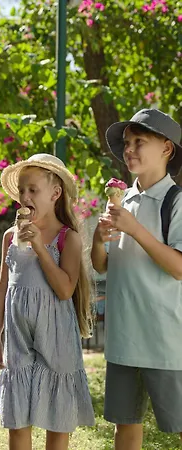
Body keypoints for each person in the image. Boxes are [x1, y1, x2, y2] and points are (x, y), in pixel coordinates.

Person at [0, 153, 95, 450]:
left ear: (55, 193)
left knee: (57, 416)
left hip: (56, 334)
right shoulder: (10, 236)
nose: (25, 197)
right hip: (18, 335)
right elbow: (3, 288)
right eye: (22, 190)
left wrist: (39, 245)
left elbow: (64, 290)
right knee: (17, 418)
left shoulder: (67, 238)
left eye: (33, 190)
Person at [91, 109, 182, 449]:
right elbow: (102, 265)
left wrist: (135, 229)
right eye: (127, 143)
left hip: (165, 341)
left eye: (139, 142)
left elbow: (178, 268)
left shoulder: (176, 202)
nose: (128, 149)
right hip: (123, 339)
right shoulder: (121, 200)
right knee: (125, 427)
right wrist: (98, 240)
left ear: (167, 148)